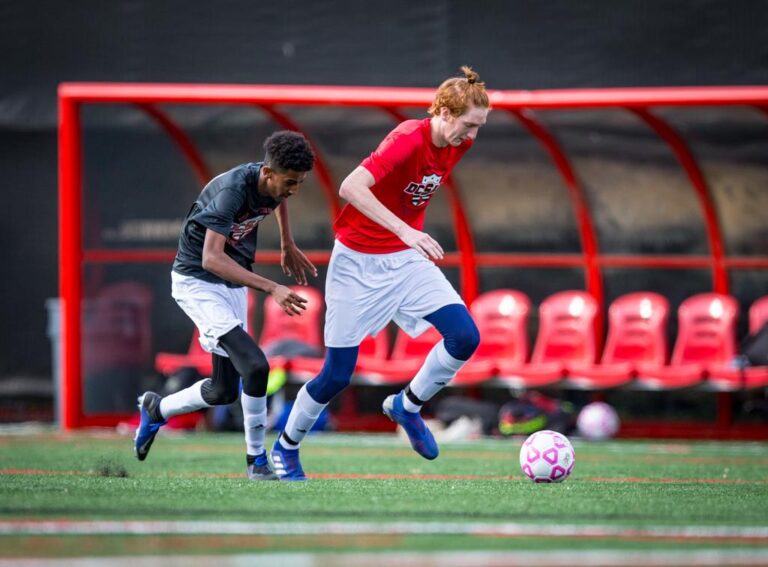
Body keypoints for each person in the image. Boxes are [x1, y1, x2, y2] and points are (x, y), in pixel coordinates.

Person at [271, 66, 491, 480]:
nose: (472, 135)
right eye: (468, 125)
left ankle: (406, 406)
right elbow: (351, 187)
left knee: (465, 337)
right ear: (443, 112)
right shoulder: (409, 137)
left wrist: (406, 238)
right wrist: (407, 230)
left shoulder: (458, 143)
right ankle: (285, 447)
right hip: (356, 262)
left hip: (404, 261)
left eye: (479, 127)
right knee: (336, 375)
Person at [133, 130, 317, 481]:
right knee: (257, 366)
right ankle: (256, 462)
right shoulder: (232, 191)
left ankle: (157, 408)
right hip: (199, 283)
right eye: (291, 182)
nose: (294, 189)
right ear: (268, 172)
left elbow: (279, 199)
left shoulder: (274, 181)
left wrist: (287, 243)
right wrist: (272, 287)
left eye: (300, 183)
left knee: (223, 390)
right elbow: (211, 259)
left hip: (232, 283)